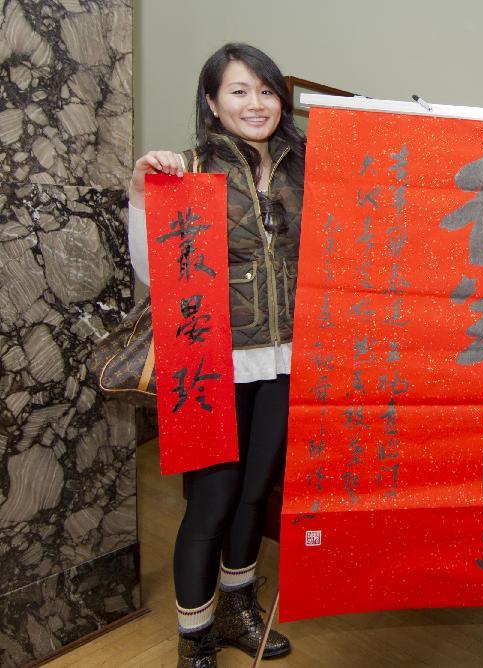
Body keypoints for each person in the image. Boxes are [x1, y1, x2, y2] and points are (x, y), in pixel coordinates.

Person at [127, 43, 305, 667]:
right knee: (213, 499)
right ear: (211, 101)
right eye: (238, 90)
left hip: (287, 359)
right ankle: (194, 635)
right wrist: (144, 191)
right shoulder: (192, 169)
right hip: (211, 361)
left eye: (265, 90)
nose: (255, 104)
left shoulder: (304, 170)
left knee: (257, 492)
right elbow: (155, 273)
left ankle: (236, 606)